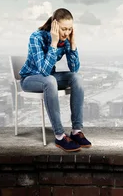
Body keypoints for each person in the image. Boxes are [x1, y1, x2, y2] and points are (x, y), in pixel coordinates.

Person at [19, 8, 92, 152]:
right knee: (50, 80)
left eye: (70, 29)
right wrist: (53, 43)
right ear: (55, 25)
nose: (66, 33)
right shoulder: (36, 37)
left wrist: (73, 45)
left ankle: (76, 131)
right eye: (64, 29)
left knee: (77, 78)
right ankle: (59, 135)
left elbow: (74, 68)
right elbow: (44, 71)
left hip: (48, 80)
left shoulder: (66, 40)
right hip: (29, 80)